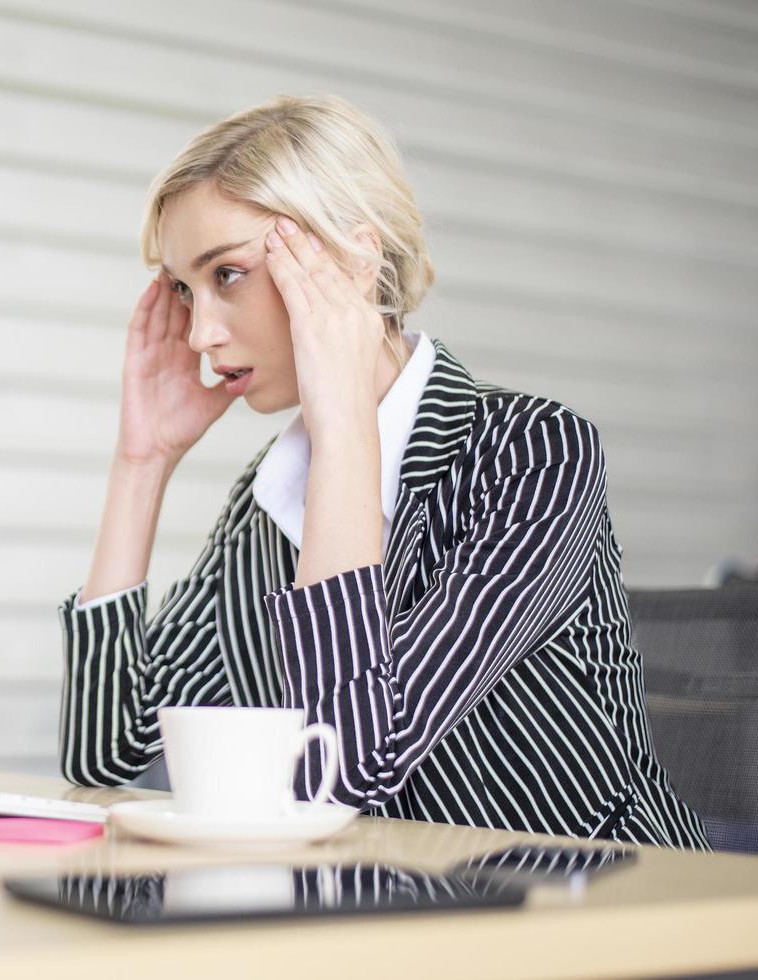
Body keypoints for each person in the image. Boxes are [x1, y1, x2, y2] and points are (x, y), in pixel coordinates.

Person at [57, 94, 709, 848]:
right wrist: (142, 464)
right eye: (181, 289)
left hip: (606, 918)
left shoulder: (536, 454)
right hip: (392, 912)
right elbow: (103, 758)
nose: (200, 332)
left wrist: (343, 433)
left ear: (353, 263)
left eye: (227, 275)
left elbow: (345, 770)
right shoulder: (269, 500)